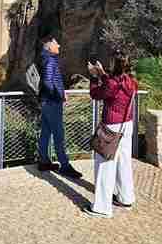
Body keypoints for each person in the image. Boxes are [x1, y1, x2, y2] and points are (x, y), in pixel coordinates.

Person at [84, 53, 138, 218]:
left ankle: (101, 207)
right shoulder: (130, 81)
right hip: (126, 125)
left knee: (105, 166)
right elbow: (114, 82)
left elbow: (96, 94)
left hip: (111, 127)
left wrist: (94, 77)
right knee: (124, 162)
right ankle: (125, 197)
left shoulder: (112, 84)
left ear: (113, 65)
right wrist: (102, 74)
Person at [37, 35, 83, 179]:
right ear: (50, 46)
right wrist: (59, 95)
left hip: (45, 102)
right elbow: (48, 82)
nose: (59, 46)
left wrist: (60, 92)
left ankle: (44, 161)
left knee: (45, 132)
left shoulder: (46, 58)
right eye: (57, 44)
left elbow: (48, 81)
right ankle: (65, 166)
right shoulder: (50, 60)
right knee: (59, 135)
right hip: (52, 102)